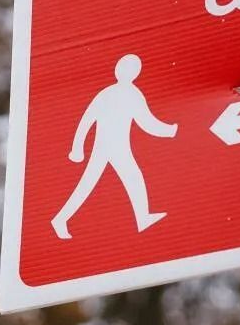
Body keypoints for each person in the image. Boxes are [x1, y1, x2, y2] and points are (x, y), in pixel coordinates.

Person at [52, 54, 177, 240]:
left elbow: (144, 121)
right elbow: (88, 119)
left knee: (128, 177)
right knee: (89, 184)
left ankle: (143, 217)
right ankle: (60, 219)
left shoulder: (116, 92)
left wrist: (77, 147)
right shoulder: (121, 93)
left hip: (116, 147)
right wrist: (171, 130)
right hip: (108, 147)